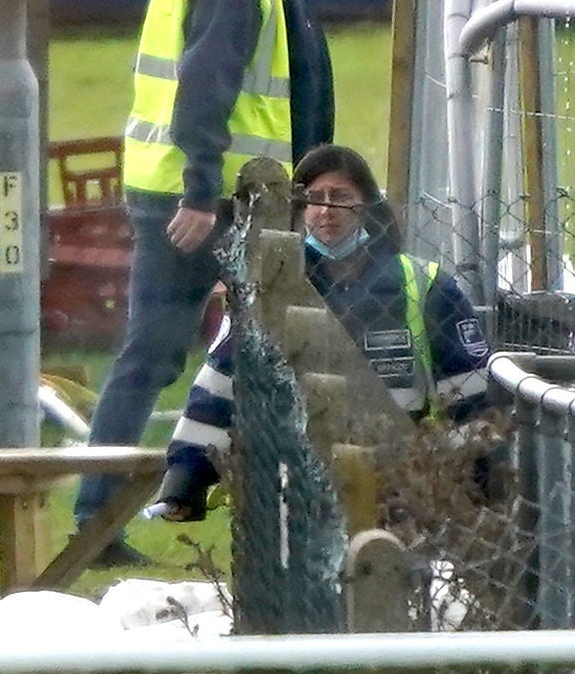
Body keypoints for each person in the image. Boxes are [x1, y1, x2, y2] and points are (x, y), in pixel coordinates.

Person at [75, 0, 338, 557]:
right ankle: (132, 512)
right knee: (252, 352)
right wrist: (197, 190)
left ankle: (117, 511)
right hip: (214, 200)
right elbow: (204, 83)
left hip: (214, 193)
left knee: (168, 354)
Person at [152, 144, 492, 519]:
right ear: (300, 211)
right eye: (315, 199)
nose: (327, 211)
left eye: (341, 198)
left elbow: (470, 393)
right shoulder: (267, 291)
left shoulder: (425, 286)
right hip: (295, 484)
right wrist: (185, 480)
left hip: (400, 479)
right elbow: (220, 384)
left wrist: (478, 479)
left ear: (366, 206)